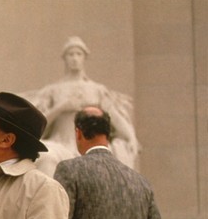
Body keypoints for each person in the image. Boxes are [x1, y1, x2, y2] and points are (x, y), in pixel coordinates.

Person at [26, 36, 139, 175]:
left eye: (78, 54)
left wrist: (130, 137)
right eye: (71, 54)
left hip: (92, 146)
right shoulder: (53, 90)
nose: (75, 58)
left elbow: (114, 117)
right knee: (46, 156)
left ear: (84, 57)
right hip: (61, 144)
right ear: (65, 58)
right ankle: (48, 190)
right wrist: (61, 108)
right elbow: (37, 125)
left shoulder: (97, 90)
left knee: (111, 158)